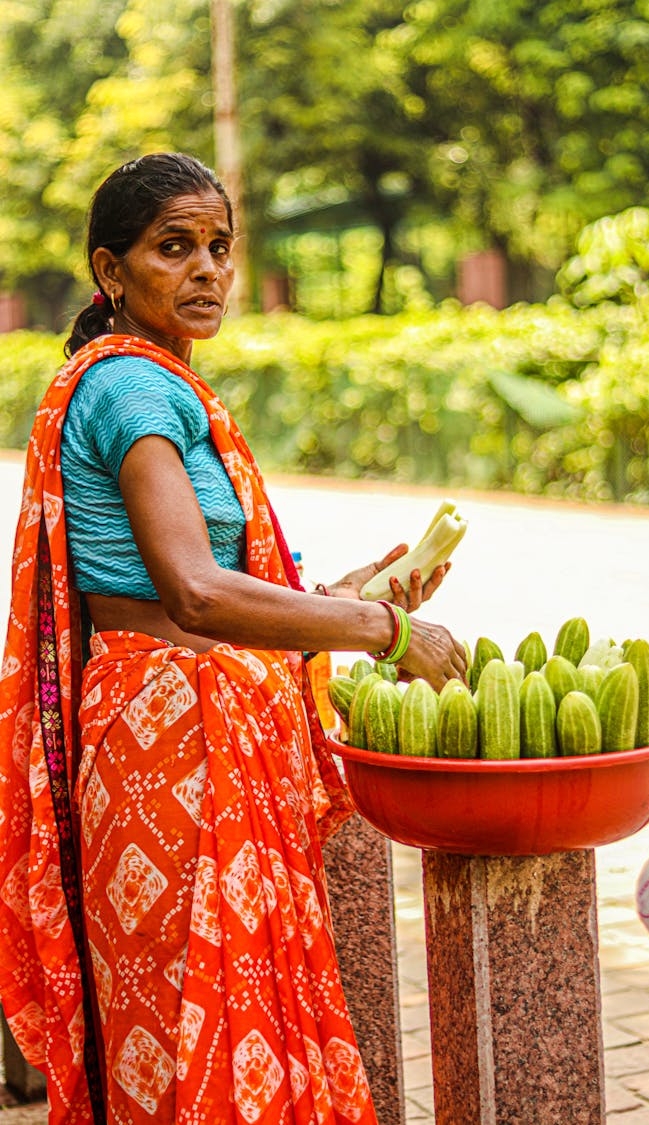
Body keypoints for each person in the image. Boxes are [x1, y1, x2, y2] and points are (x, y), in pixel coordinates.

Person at [0, 152, 465, 1124]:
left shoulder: (160, 386)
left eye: (220, 246)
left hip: (189, 733)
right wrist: (381, 626)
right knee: (188, 1029)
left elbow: (211, 592)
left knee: (206, 1024)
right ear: (111, 271)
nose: (207, 270)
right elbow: (198, 596)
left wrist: (341, 593)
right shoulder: (132, 393)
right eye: (174, 248)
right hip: (170, 747)